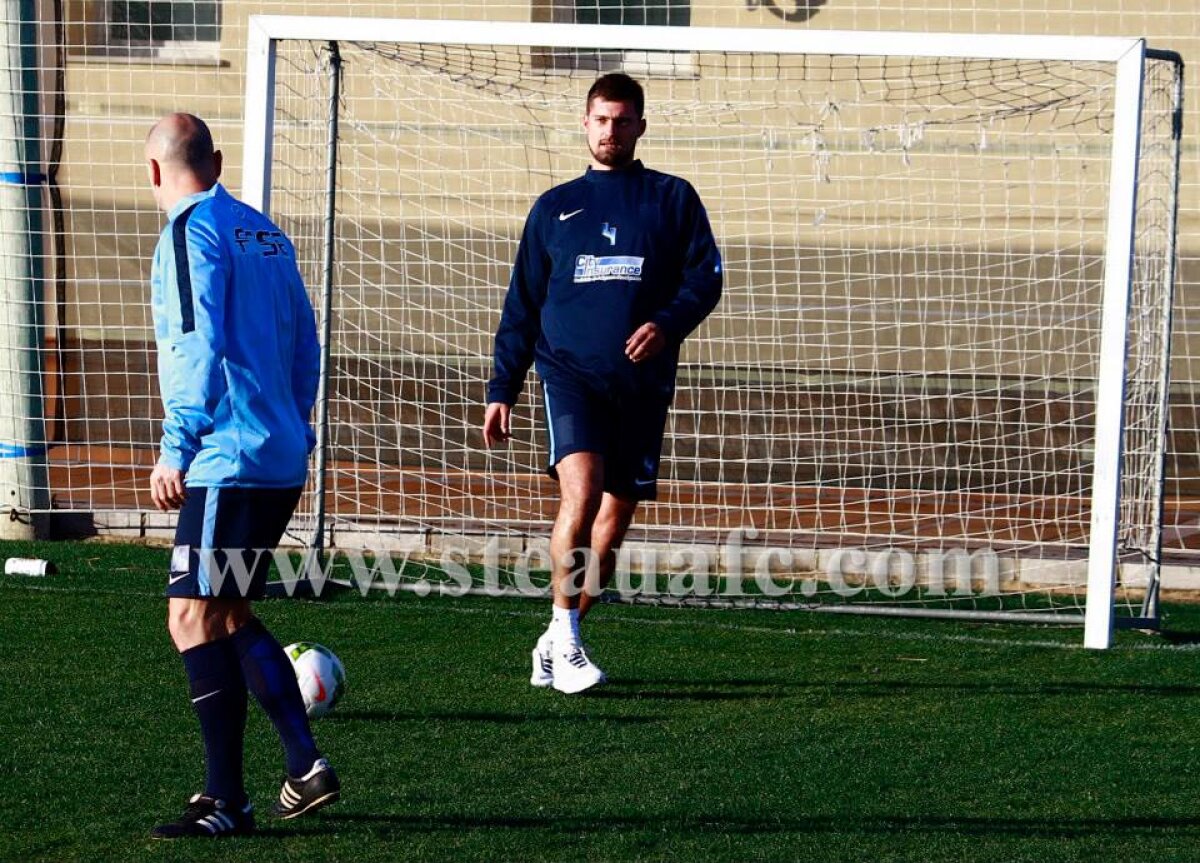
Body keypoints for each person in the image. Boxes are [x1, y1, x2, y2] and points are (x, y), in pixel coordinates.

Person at [482, 74, 723, 694]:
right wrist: (501, 388)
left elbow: (706, 279)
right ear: (584, 124)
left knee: (611, 531)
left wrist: (667, 326)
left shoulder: (672, 199)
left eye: (622, 120)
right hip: (569, 375)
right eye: (600, 120)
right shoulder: (555, 207)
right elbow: (522, 304)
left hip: (641, 387)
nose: (610, 131)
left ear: (640, 126)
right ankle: (567, 643)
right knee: (581, 495)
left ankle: (557, 637)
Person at [144, 113, 339, 839]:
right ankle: (304, 765)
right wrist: (295, 425)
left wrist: (177, 445)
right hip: (279, 452)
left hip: (228, 455)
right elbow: (305, 344)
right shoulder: (266, 233)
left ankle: (226, 798)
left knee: (190, 615)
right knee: (226, 613)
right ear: (217, 160)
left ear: (155, 173)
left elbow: (197, 344)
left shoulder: (189, 234)